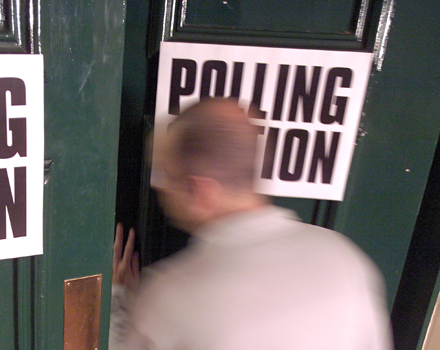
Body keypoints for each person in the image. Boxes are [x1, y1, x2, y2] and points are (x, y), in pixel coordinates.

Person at [110, 97, 393, 350]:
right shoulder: (345, 259)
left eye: (168, 176)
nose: (161, 189)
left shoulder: (168, 297)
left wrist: (120, 300)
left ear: (200, 191)